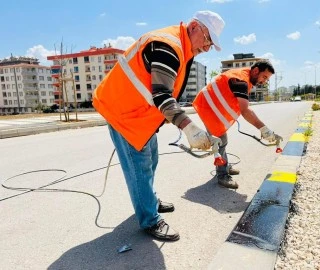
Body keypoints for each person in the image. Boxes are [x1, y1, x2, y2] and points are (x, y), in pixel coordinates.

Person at [92, 11, 225, 241]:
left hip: (139, 113)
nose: (207, 47)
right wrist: (189, 128)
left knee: (152, 159)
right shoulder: (168, 46)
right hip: (124, 113)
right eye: (207, 39)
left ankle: (148, 201)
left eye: (211, 43)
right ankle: (149, 220)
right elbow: (162, 95)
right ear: (194, 27)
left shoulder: (182, 47)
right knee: (140, 169)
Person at [192, 59, 283, 189]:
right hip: (208, 107)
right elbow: (245, 110)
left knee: (223, 140)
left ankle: (224, 165)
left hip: (212, 106)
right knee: (220, 140)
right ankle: (222, 175)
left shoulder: (245, 77)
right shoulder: (240, 80)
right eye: (264, 77)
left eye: (267, 79)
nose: (264, 81)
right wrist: (263, 129)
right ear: (256, 71)